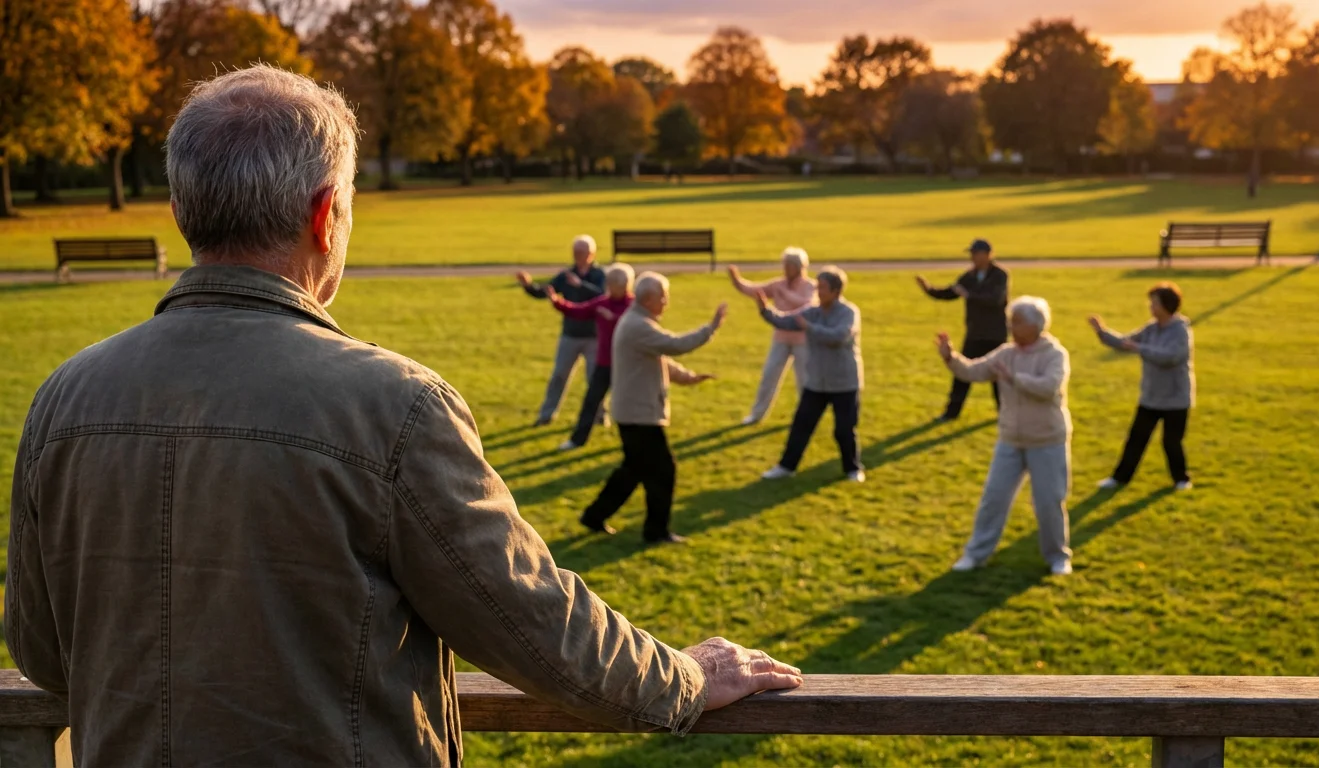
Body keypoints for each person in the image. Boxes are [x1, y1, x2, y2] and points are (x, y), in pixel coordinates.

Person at [5, 66, 801, 766]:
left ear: (183, 210)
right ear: (326, 217)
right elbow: (533, 623)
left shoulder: (64, 396)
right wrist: (687, 676)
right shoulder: (394, 405)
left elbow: (42, 647)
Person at [580, 273, 726, 544]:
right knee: (662, 471)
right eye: (663, 296)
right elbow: (675, 344)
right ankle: (655, 531)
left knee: (633, 469)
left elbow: (661, 357)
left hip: (635, 412)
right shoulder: (638, 325)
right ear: (648, 299)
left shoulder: (639, 322)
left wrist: (686, 377)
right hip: (639, 415)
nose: (666, 301)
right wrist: (711, 327)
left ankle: (594, 516)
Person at [937, 296, 1074, 576]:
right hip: (1010, 440)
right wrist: (951, 358)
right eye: (1011, 321)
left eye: (1017, 322)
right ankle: (975, 555)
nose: (1011, 327)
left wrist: (1013, 378)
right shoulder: (1006, 353)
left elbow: (1049, 388)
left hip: (1046, 440)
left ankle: (1058, 557)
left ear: (1036, 325)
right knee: (993, 499)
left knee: (1049, 502)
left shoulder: (1054, 354)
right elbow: (975, 371)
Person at [755, 266, 866, 483]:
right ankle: (786, 467)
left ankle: (853, 469)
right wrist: (764, 310)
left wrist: (809, 327)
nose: (817, 290)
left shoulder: (849, 313)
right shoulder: (812, 311)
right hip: (816, 383)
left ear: (836, 291)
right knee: (801, 426)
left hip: (844, 384)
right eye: (817, 285)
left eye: (822, 287)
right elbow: (785, 321)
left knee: (844, 430)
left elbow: (838, 336)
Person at [1090, 281, 1196, 491]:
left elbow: (1171, 357)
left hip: (1176, 399)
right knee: (1136, 439)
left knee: (1171, 443)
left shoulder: (1180, 331)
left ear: (1166, 305)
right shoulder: (1151, 328)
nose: (1150, 307)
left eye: (1154, 303)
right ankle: (1119, 479)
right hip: (1151, 396)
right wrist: (1101, 332)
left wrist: (1140, 348)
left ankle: (1181, 480)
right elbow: (1124, 342)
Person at [545, 262, 636, 451]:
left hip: (626, 364)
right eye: (609, 285)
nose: (610, 289)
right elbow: (579, 311)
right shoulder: (602, 302)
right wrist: (556, 301)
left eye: (614, 286)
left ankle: (635, 443)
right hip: (604, 363)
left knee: (630, 405)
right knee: (591, 401)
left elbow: (636, 323)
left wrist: (613, 318)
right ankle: (577, 440)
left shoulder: (633, 305)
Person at [517, 235, 606, 426]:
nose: (577, 256)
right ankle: (546, 415)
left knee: (595, 379)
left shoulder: (599, 274)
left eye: (581, 252)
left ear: (591, 254)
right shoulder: (566, 275)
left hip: (594, 336)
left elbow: (603, 296)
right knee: (559, 375)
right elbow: (546, 292)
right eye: (575, 252)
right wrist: (528, 286)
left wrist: (580, 285)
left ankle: (600, 416)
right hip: (570, 335)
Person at [916, 238, 1009, 421]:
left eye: (975, 254)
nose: (972, 257)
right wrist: (928, 289)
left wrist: (969, 295)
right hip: (975, 333)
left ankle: (1005, 413)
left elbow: (995, 300)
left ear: (987, 255)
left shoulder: (1000, 275)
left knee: (999, 376)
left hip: (995, 335)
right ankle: (952, 413)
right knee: (962, 374)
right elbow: (951, 292)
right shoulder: (970, 276)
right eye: (971, 254)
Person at [727, 248, 817, 425]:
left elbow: (807, 306)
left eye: (789, 265)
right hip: (781, 340)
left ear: (799, 267)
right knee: (769, 376)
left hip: (802, 342)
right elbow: (753, 289)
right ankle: (756, 415)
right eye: (784, 265)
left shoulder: (810, 286)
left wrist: (784, 294)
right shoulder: (778, 284)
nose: (785, 269)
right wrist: (737, 281)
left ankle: (806, 418)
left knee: (804, 381)